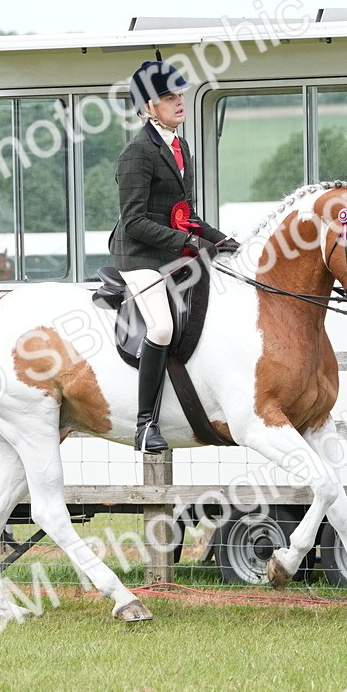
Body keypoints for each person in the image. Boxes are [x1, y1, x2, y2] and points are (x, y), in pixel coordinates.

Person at [108, 59, 240, 454]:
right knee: (162, 327)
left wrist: (222, 240)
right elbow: (134, 222)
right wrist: (187, 243)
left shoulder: (180, 148)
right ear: (149, 107)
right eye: (169, 97)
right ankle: (145, 424)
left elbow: (185, 214)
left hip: (168, 250)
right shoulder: (137, 154)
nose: (179, 102)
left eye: (180, 94)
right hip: (139, 256)